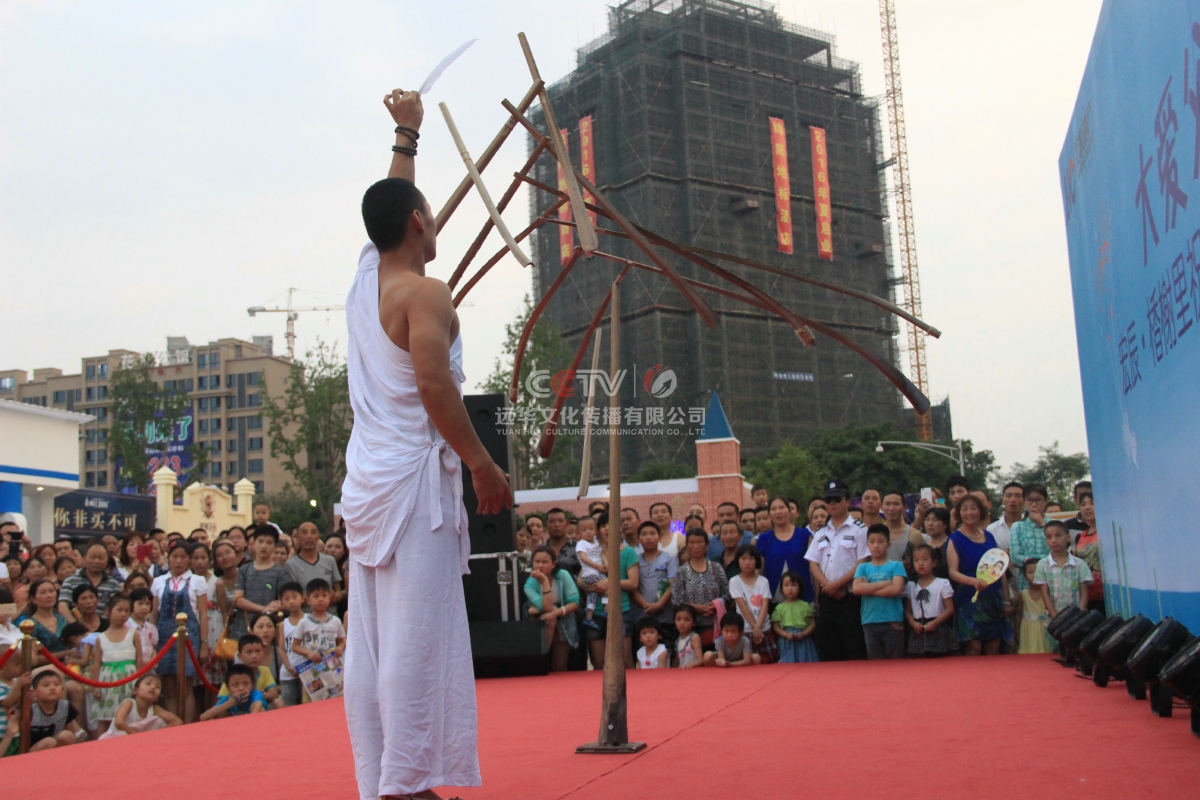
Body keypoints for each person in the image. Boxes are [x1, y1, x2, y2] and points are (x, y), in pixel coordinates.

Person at [340, 119, 519, 791]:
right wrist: (482, 464)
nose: (434, 220)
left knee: (374, 642)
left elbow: (389, 201)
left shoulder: (364, 283)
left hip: (369, 483)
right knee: (413, 638)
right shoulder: (425, 293)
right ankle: (405, 783)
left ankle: (385, 778)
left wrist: (406, 135)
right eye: (429, 213)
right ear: (419, 221)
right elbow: (434, 385)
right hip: (414, 486)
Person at [805, 479, 870, 661]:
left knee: (854, 648)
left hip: (849, 596)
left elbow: (862, 562)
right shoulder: (821, 531)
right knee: (829, 650)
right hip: (827, 597)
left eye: (837, 499)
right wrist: (828, 586)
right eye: (829, 500)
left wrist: (837, 585)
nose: (832, 504)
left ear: (848, 501)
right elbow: (813, 563)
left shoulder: (859, 530)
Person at [151, 541, 208, 722]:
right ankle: (172, 725)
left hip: (189, 637)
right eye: (174, 556)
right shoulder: (159, 581)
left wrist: (204, 643)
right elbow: (154, 614)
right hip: (164, 637)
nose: (178, 561)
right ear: (168, 558)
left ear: (189, 559)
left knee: (186, 687)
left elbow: (203, 614)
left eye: (183, 557)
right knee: (168, 687)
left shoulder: (197, 581)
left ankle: (187, 726)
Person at [947, 495, 1008, 655]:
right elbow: (953, 572)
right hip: (969, 598)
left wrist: (1006, 600)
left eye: (973, 508)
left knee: (994, 647)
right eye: (965, 509)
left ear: (980, 511)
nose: (969, 512)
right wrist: (973, 582)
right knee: (974, 647)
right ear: (959, 513)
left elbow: (999, 570)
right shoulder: (955, 539)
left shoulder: (990, 536)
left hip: (993, 597)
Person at [581, 517, 639, 669]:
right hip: (596, 612)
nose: (607, 528)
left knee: (625, 660)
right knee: (599, 662)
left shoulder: (628, 552)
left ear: (619, 527)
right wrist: (595, 587)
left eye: (611, 524)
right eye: (603, 525)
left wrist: (610, 582)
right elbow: (580, 581)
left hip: (621, 610)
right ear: (598, 530)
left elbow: (633, 582)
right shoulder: (593, 552)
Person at [88, 594, 143, 736]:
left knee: (128, 716)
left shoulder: (133, 634)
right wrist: (96, 685)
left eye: (127, 611)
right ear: (108, 610)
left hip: (130, 678)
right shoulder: (101, 637)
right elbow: (97, 663)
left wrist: (140, 681)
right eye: (119, 610)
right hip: (108, 680)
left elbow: (139, 659)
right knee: (105, 717)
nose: (123, 614)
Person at [852, 525, 908, 659]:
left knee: (896, 661)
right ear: (867, 545)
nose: (876, 545)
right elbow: (857, 589)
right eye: (872, 542)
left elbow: (896, 589)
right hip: (870, 621)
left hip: (892, 620)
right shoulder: (863, 567)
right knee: (875, 663)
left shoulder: (896, 565)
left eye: (880, 541)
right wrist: (885, 583)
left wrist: (868, 588)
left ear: (888, 544)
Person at [523, 546, 579, 673]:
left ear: (554, 564)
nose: (540, 565)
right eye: (537, 561)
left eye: (545, 562)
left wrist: (554, 612)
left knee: (560, 665)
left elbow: (574, 602)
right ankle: (541, 658)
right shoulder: (530, 583)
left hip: (564, 620)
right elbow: (547, 607)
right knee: (539, 665)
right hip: (539, 622)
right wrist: (544, 581)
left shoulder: (563, 575)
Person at [672, 529, 730, 646]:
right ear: (687, 545)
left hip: (715, 624)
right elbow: (676, 601)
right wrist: (696, 608)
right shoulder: (682, 571)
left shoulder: (716, 568)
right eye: (692, 542)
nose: (696, 546)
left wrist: (715, 605)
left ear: (706, 545)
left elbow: (727, 593)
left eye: (699, 542)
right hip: (690, 628)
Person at [1033, 521, 1092, 635]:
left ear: (1068, 537)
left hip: (1077, 621)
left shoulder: (1079, 564)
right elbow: (1045, 593)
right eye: (1049, 537)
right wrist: (1056, 618)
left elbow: (1084, 592)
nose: (1054, 540)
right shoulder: (1043, 565)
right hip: (1053, 621)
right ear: (1046, 540)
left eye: (1058, 535)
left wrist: (1078, 616)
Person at [231, 527, 287, 640]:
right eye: (260, 541)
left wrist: (272, 609)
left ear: (275, 546)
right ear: (253, 543)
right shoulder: (244, 570)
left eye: (269, 543)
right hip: (243, 628)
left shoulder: (280, 572)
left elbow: (283, 601)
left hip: (268, 630)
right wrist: (263, 609)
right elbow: (238, 599)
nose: (264, 546)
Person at [756, 496, 814, 602]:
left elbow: (814, 567)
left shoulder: (804, 535)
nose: (778, 512)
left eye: (781, 507)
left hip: (803, 598)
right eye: (773, 509)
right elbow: (759, 571)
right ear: (769, 514)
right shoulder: (764, 539)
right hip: (772, 599)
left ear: (789, 511)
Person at [903, 544, 956, 656]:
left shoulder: (942, 583)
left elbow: (949, 608)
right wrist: (913, 623)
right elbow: (908, 610)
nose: (920, 563)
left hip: (938, 627)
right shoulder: (911, 585)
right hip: (918, 629)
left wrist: (935, 623)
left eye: (925, 559)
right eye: (916, 560)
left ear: (934, 562)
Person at [633, 521, 677, 641]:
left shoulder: (669, 559)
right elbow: (632, 587)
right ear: (638, 538)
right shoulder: (635, 560)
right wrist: (646, 605)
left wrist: (658, 605)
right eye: (644, 534)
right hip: (641, 616)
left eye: (652, 533)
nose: (648, 537)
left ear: (660, 537)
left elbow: (673, 584)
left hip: (665, 617)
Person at [99, 674, 181, 738]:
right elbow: (119, 722)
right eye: (148, 684)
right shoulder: (129, 703)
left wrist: (157, 735)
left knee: (160, 721)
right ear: (136, 690)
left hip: (139, 739)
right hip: (116, 738)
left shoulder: (155, 709)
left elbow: (177, 721)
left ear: (158, 697)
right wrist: (136, 736)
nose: (153, 687)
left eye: (158, 687)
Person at [286, 522, 344, 612]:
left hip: (330, 614)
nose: (309, 536)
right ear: (297, 538)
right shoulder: (291, 565)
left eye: (313, 533)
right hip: (306, 615)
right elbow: (291, 597)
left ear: (318, 537)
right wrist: (311, 599)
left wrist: (335, 596)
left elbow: (338, 590)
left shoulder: (329, 561)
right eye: (305, 533)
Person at [729, 544, 773, 662]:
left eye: (751, 559)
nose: (747, 562)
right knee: (748, 663)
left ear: (757, 560)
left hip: (764, 628)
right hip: (746, 629)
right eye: (743, 559)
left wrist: (758, 627)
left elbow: (765, 605)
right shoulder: (734, 581)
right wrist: (755, 627)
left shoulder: (763, 581)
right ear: (738, 560)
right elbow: (742, 606)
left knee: (768, 662)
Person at [57, 542, 123, 619]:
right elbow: (63, 606)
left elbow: (117, 608)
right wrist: (74, 623)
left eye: (101, 558)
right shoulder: (70, 580)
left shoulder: (113, 584)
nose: (97, 561)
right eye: (93, 557)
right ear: (84, 558)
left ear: (107, 560)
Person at [292, 578, 347, 667]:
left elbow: (342, 641)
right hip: (312, 667)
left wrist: (340, 648)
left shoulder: (336, 621)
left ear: (330, 598)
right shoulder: (304, 622)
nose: (320, 599)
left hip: (332, 666)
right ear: (308, 600)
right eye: (316, 596)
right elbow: (295, 646)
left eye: (324, 596)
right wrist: (308, 652)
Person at [1009, 484, 1050, 592]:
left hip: (1052, 581)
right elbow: (1015, 557)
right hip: (1026, 585)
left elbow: (1057, 553)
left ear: (1046, 501)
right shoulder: (1017, 526)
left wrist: (1042, 524)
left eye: (1038, 500)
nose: (1034, 504)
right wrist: (1039, 562)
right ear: (1024, 502)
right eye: (1030, 500)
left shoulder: (1054, 524)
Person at [27, 670, 82, 751]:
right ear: (35, 692)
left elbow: (71, 734)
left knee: (66, 735)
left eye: (56, 684)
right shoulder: (31, 709)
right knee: (49, 742)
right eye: (46, 685)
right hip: (34, 749)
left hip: (57, 746)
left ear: (62, 689)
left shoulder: (65, 706)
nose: (52, 688)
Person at [221, 633, 280, 708]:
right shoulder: (234, 673)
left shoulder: (265, 670)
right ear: (240, 656)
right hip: (236, 708)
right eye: (249, 652)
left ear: (263, 653)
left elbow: (274, 694)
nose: (254, 656)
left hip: (258, 705)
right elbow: (221, 700)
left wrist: (263, 695)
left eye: (258, 651)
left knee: (278, 702)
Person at [771, 570, 818, 663]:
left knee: (805, 662)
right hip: (786, 640)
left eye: (793, 585)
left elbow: (812, 624)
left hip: (803, 639)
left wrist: (803, 634)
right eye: (786, 585)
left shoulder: (805, 605)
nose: (790, 589)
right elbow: (776, 626)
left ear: (799, 588)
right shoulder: (779, 608)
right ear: (781, 589)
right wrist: (786, 634)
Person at [17, 579, 70, 654]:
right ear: (33, 599)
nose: (49, 596)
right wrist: (65, 653)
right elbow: (32, 658)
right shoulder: (31, 625)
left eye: (51, 591)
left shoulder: (62, 619)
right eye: (43, 593)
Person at [1072, 492, 1104, 614]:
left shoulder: (1107, 532)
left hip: (1108, 594)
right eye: (1083, 504)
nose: (1087, 507)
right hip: (1087, 595)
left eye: (1092, 503)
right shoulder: (1080, 537)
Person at [201, 664, 266, 719]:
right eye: (235, 685)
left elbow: (256, 708)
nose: (241, 688)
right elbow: (203, 717)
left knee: (261, 709)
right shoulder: (229, 699)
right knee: (221, 712)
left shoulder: (256, 694)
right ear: (228, 688)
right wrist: (230, 703)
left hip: (252, 724)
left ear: (252, 685)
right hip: (233, 726)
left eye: (246, 684)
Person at [277, 581, 306, 706]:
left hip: (307, 671)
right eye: (287, 599)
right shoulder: (283, 624)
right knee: (290, 707)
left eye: (295, 597)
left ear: (303, 598)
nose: (292, 601)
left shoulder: (309, 620)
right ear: (282, 603)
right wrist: (289, 667)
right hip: (288, 674)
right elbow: (282, 649)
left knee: (308, 706)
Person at [574, 516, 605, 628]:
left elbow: (601, 554)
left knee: (592, 595)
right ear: (578, 532)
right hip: (590, 573)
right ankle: (607, 610)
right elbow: (583, 558)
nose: (588, 532)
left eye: (591, 529)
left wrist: (606, 563)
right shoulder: (581, 543)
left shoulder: (596, 542)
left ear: (596, 530)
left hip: (597, 571)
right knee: (609, 587)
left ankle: (589, 617)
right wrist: (597, 566)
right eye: (584, 530)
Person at [1015, 559, 1052, 654]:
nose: (1034, 575)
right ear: (1025, 575)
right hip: (1028, 631)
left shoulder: (1048, 594)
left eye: (1037, 572)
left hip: (1044, 630)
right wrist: (1017, 632)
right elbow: (1019, 614)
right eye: (1030, 572)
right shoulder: (1023, 594)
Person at [881, 491, 920, 562]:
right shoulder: (873, 532)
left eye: (896, 504)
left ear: (904, 507)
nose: (891, 508)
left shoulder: (914, 535)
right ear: (881, 507)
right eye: (887, 504)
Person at [987, 482, 1024, 553]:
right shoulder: (991, 529)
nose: (1013, 500)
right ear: (1003, 500)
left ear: (1024, 500)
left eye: (1018, 496)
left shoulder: (1031, 526)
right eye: (1009, 496)